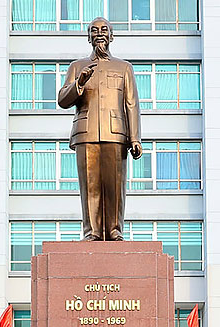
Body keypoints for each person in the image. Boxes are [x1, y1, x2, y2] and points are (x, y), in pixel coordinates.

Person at [56, 17, 142, 241]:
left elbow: (131, 104)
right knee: (90, 186)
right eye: (94, 30)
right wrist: (79, 83)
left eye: (104, 30)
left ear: (112, 36)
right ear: (88, 36)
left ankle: (115, 230)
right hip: (86, 133)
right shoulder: (77, 66)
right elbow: (63, 100)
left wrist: (135, 138)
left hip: (116, 133)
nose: (99, 33)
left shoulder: (124, 67)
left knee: (115, 187)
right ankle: (91, 231)